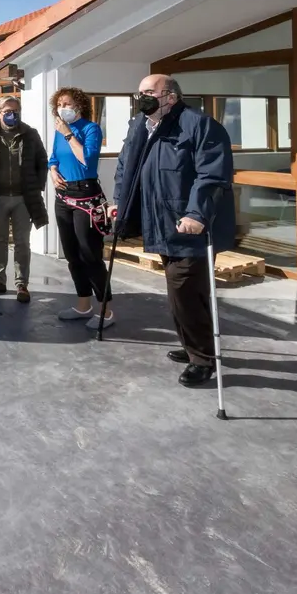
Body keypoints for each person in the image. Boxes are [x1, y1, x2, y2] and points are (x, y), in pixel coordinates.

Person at [111, 73, 235, 388]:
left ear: (171, 97)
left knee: (184, 290)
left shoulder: (199, 125)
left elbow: (212, 175)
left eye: (149, 92)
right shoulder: (140, 126)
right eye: (139, 92)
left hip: (188, 226)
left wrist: (196, 213)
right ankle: (191, 344)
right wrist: (119, 202)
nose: (142, 97)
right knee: (180, 290)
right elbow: (126, 166)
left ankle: (203, 359)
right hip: (159, 221)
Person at [48, 87, 115, 330]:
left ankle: (106, 311)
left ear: (79, 107)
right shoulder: (58, 132)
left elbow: (87, 159)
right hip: (63, 197)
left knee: (90, 255)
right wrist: (53, 171)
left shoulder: (90, 129)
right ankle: (83, 305)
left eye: (68, 103)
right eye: (59, 104)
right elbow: (54, 157)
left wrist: (68, 134)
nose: (62, 108)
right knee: (73, 255)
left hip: (86, 196)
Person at [0, 96, 49, 302]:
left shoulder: (30, 134)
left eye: (15, 110)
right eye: (7, 111)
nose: (12, 114)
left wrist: (38, 185)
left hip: (24, 198)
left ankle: (22, 284)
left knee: (23, 242)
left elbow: (42, 160)